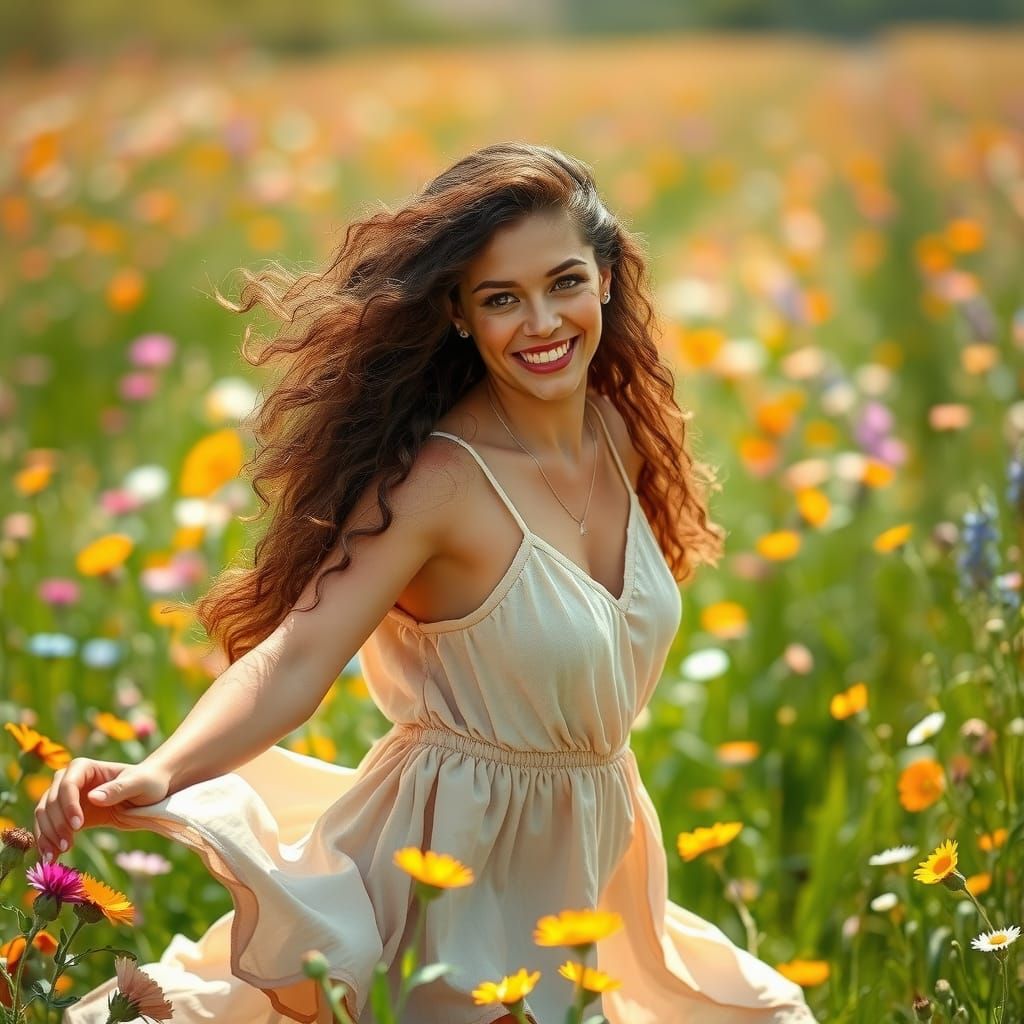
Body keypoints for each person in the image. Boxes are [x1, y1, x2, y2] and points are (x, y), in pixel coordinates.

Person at [35, 143, 815, 1024]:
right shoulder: (438, 484)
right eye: (500, 299)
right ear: (458, 314)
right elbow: (296, 658)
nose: (541, 323)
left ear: (605, 278)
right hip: (452, 870)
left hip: (589, 861)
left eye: (563, 282)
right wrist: (162, 768)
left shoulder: (617, 429)